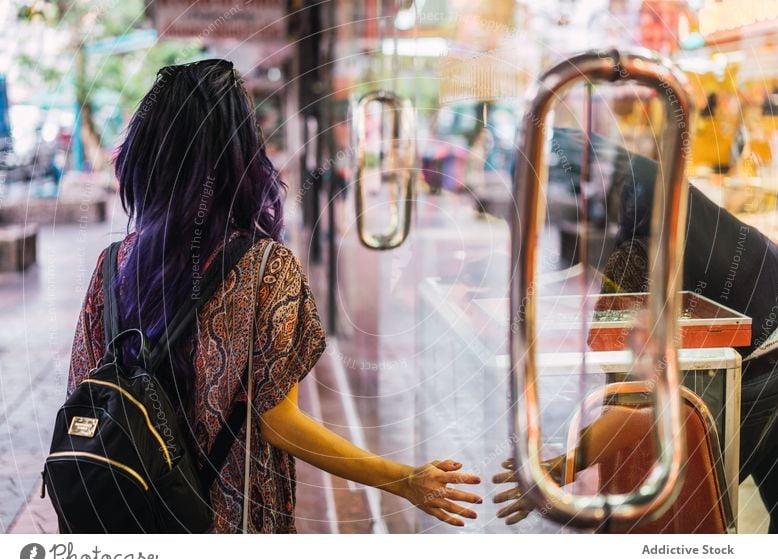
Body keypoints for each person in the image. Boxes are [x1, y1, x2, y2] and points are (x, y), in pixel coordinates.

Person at [66, 59, 481, 533]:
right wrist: (402, 479)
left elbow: (84, 392)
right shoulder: (267, 268)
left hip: (124, 515)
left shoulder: (111, 265)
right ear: (242, 155)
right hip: (223, 519)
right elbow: (280, 424)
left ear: (148, 157)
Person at [494, 128, 778, 533]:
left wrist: (558, 468)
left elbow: (632, 402)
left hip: (772, 359)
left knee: (668, 519)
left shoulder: (636, 248)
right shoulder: (635, 183)